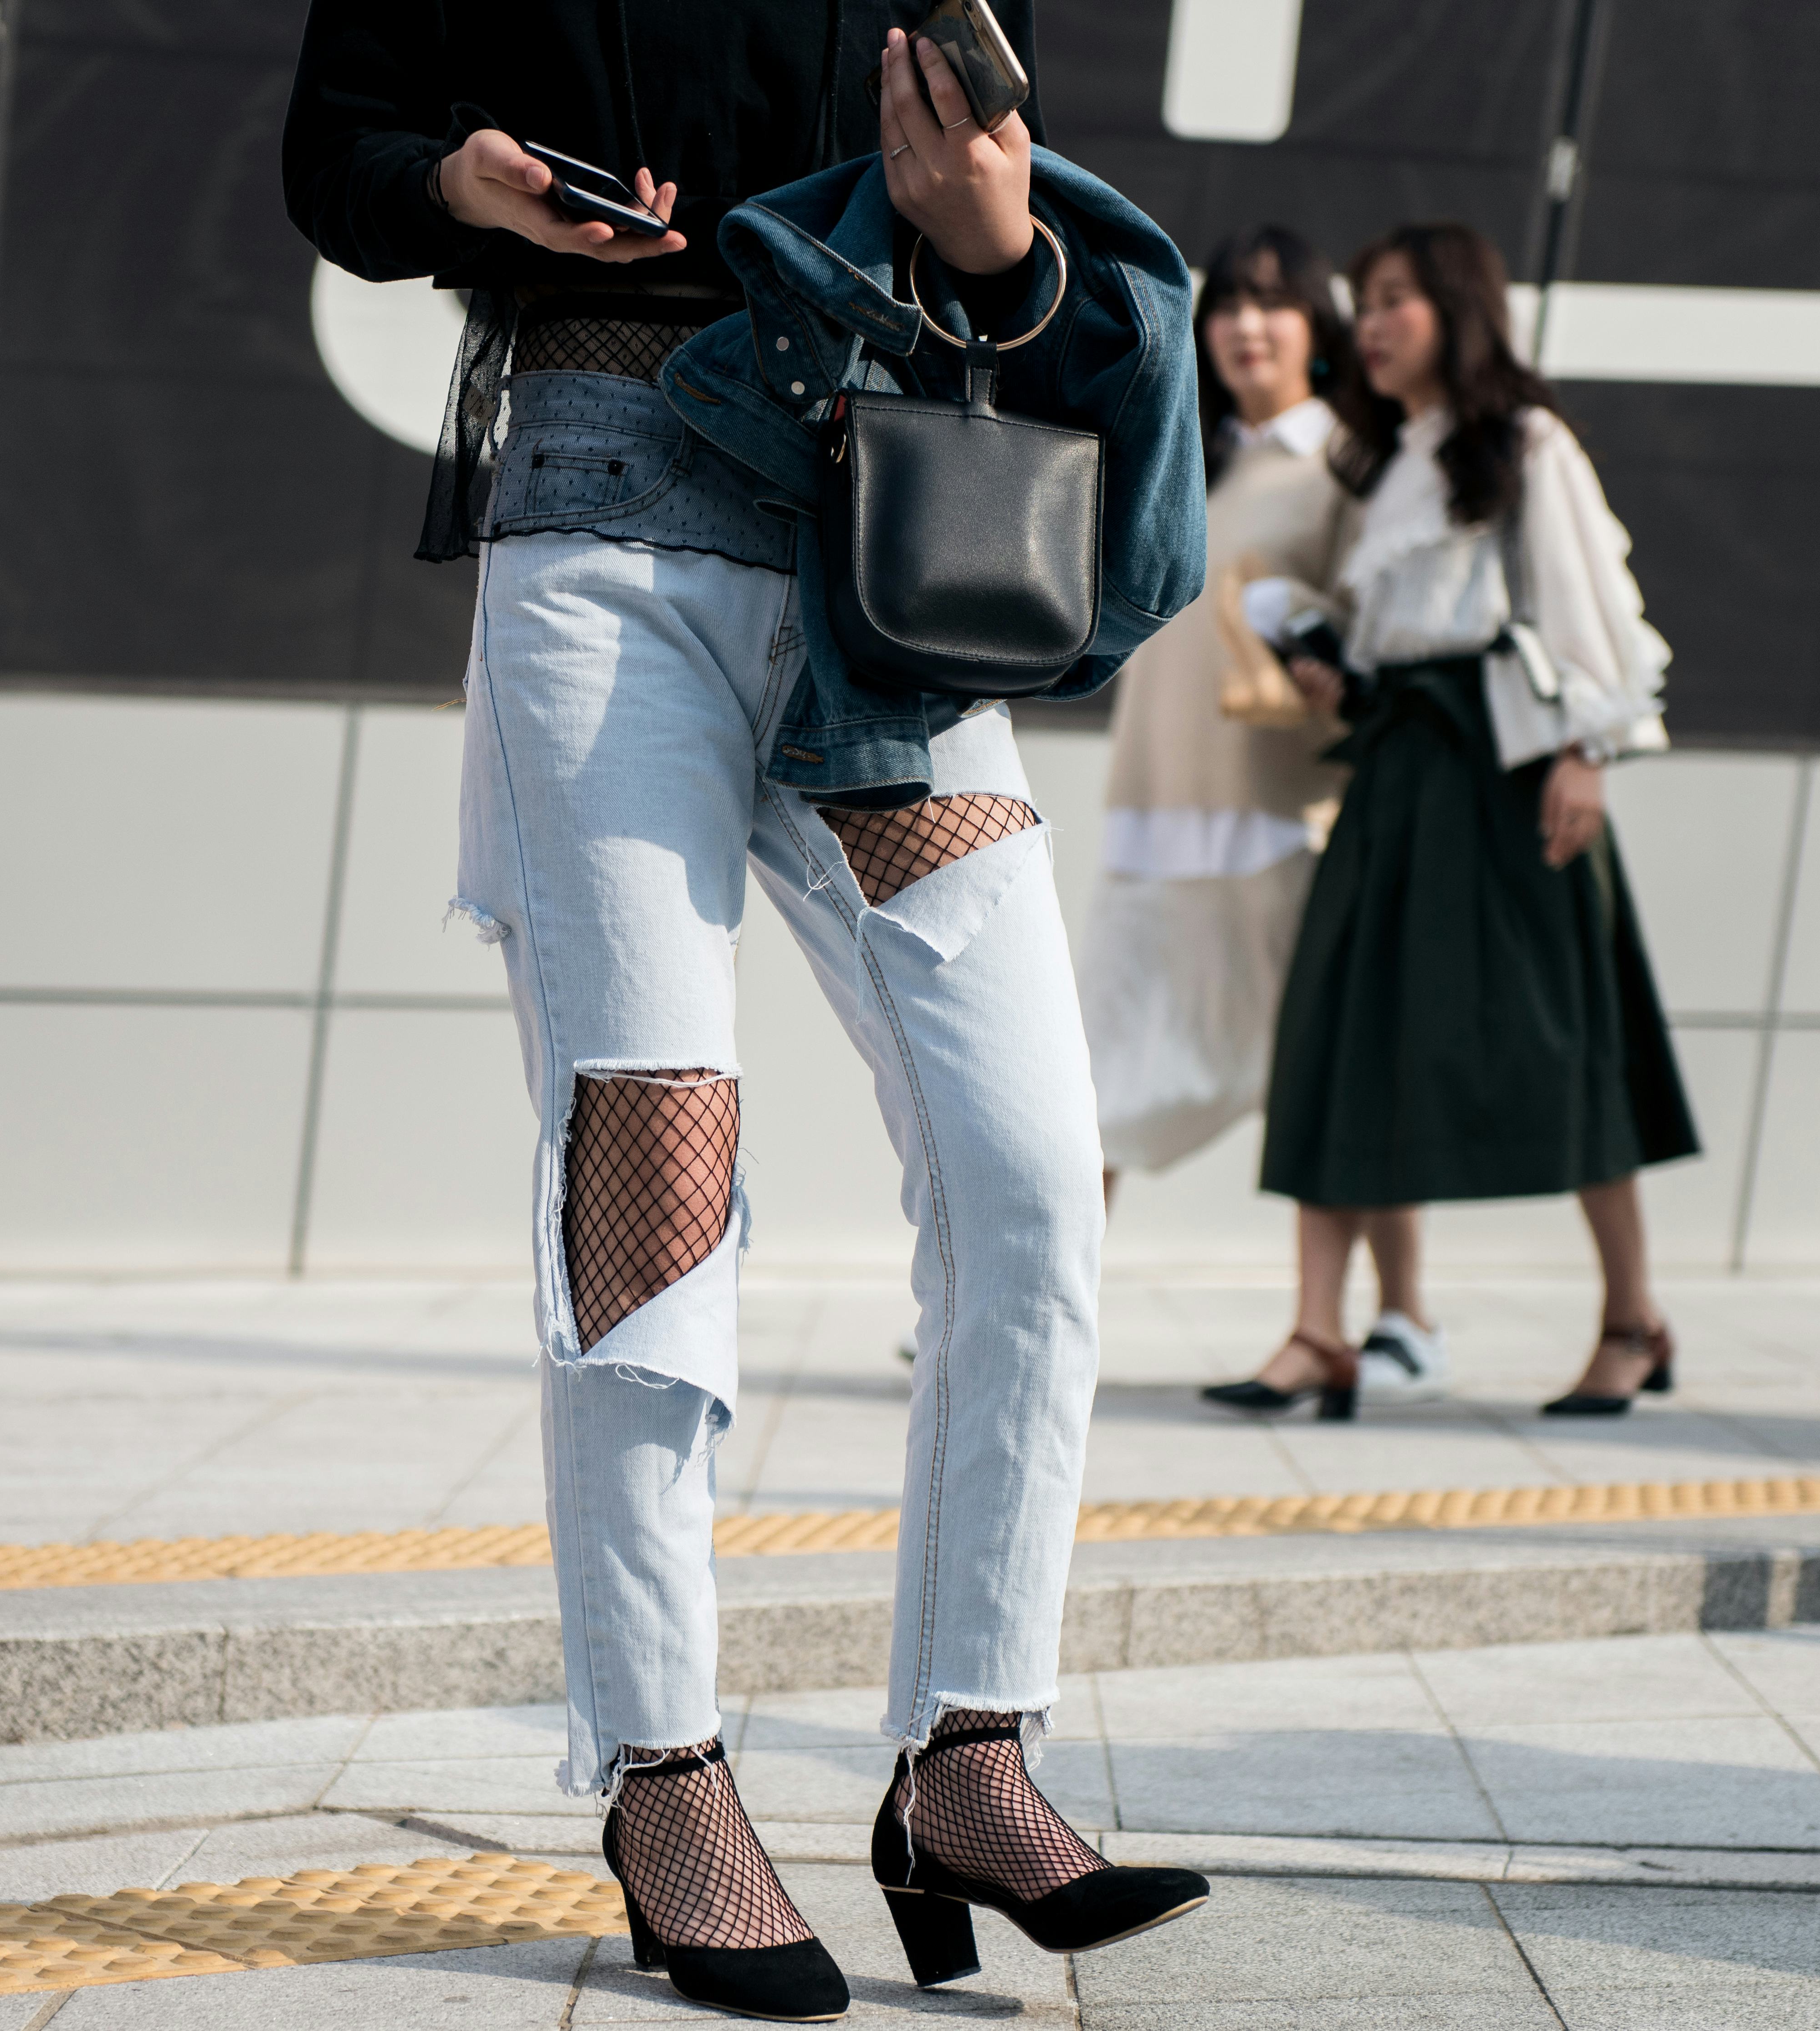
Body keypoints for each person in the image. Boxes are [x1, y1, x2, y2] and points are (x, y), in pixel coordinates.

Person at [286, 5, 1208, 2017]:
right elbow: (340, 151)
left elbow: (998, 241)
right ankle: (661, 1767)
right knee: (656, 1152)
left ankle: (971, 1751)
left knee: (1037, 1168)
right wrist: (463, 184)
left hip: (886, 564)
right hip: (602, 527)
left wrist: (993, 235)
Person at [1234, 221, 1699, 1423]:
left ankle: (1630, 1318)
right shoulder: (1385, 463)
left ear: (1456, 306)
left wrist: (1588, 750)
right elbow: (1397, 630)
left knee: (1567, 1038)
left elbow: (1592, 604)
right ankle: (1316, 1332)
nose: (1371, 324)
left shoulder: (1524, 441)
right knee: (1343, 1034)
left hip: (1505, 774)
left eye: (1395, 300)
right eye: (1365, 302)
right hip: (1396, 773)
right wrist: (1339, 669)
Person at [1071, 225, 1452, 1416]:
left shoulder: (1353, 462)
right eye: (1227, 303)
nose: (1244, 324)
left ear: (1317, 329)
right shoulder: (1187, 458)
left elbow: (1378, 628)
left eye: (1274, 304)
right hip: (1153, 811)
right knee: (1086, 1085)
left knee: (1328, 1081)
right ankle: (1028, 1314)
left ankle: (1393, 1320)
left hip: (1287, 818)